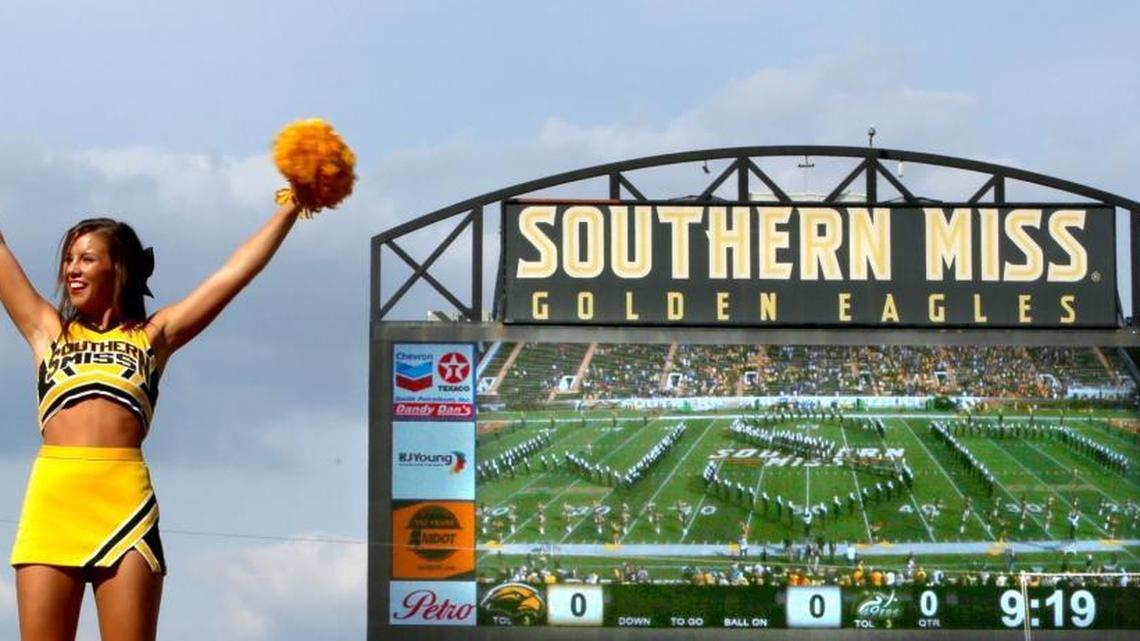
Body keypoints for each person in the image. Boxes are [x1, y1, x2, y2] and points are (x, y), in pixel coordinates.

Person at [1, 199, 304, 641]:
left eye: (87, 258)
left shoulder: (154, 335)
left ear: (117, 267)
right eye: (68, 259)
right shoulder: (47, 330)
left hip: (125, 508)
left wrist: (291, 207)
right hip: (52, 505)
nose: (72, 270)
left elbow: (235, 271)